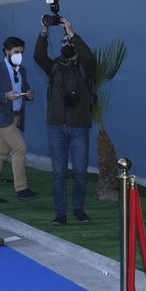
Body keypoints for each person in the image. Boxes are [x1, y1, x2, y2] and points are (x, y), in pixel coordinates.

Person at [33, 13, 97, 225]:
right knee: (58, 174)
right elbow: (39, 55)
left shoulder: (85, 68)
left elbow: (88, 57)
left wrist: (72, 32)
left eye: (69, 42)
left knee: (79, 172)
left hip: (79, 127)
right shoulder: (54, 67)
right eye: (65, 42)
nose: (67, 45)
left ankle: (79, 209)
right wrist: (44, 31)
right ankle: (60, 213)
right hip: (56, 128)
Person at [0, 36, 37, 204]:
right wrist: (4, 96)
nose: (19, 55)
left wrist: (29, 93)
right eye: (16, 52)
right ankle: (22, 188)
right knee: (20, 148)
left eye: (21, 52)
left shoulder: (22, 70)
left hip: (15, 117)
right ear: (7, 52)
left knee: (0, 155)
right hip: (1, 119)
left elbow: (24, 87)